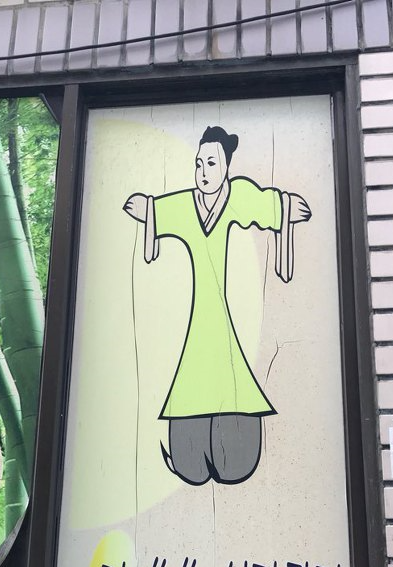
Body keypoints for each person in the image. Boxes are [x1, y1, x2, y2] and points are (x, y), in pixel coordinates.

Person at [124, 126, 311, 486]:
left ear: (227, 166)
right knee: (195, 393)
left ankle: (226, 446)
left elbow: (268, 205)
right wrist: (146, 209)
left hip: (228, 318)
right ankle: (192, 453)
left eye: (211, 163)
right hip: (198, 321)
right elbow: (157, 210)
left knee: (233, 441)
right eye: (199, 164)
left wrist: (286, 208)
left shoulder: (238, 195)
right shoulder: (186, 204)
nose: (203, 172)